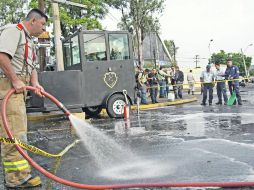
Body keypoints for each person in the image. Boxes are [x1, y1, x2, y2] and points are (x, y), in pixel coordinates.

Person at [0, 9, 47, 188]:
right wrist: (14, 79)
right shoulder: (14, 31)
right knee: (14, 134)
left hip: (19, 87)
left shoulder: (29, 40)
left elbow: (31, 66)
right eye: (42, 24)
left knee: (18, 132)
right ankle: (16, 179)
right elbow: (2, 55)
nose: (44, 28)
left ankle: (19, 175)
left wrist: (35, 83)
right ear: (33, 21)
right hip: (8, 87)